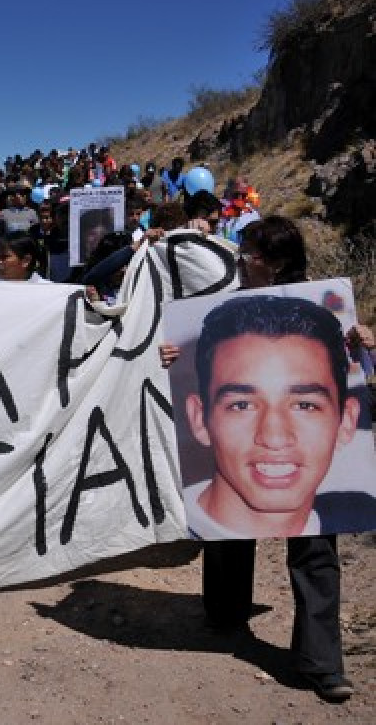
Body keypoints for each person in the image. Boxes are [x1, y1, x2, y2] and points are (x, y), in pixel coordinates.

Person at [175, 216, 357, 702]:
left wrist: (364, 345)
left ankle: (322, 662)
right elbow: (193, 362)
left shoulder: (324, 306)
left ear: (275, 263)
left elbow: (354, 365)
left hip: (319, 476)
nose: (241, 262)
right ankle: (225, 612)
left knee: (315, 544)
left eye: (249, 255)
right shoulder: (224, 302)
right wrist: (172, 355)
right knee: (230, 510)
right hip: (230, 466)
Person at [184, 294, 360, 539]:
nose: (274, 438)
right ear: (200, 419)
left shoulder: (359, 515)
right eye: (242, 405)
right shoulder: (163, 525)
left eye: (305, 405)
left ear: (346, 421)